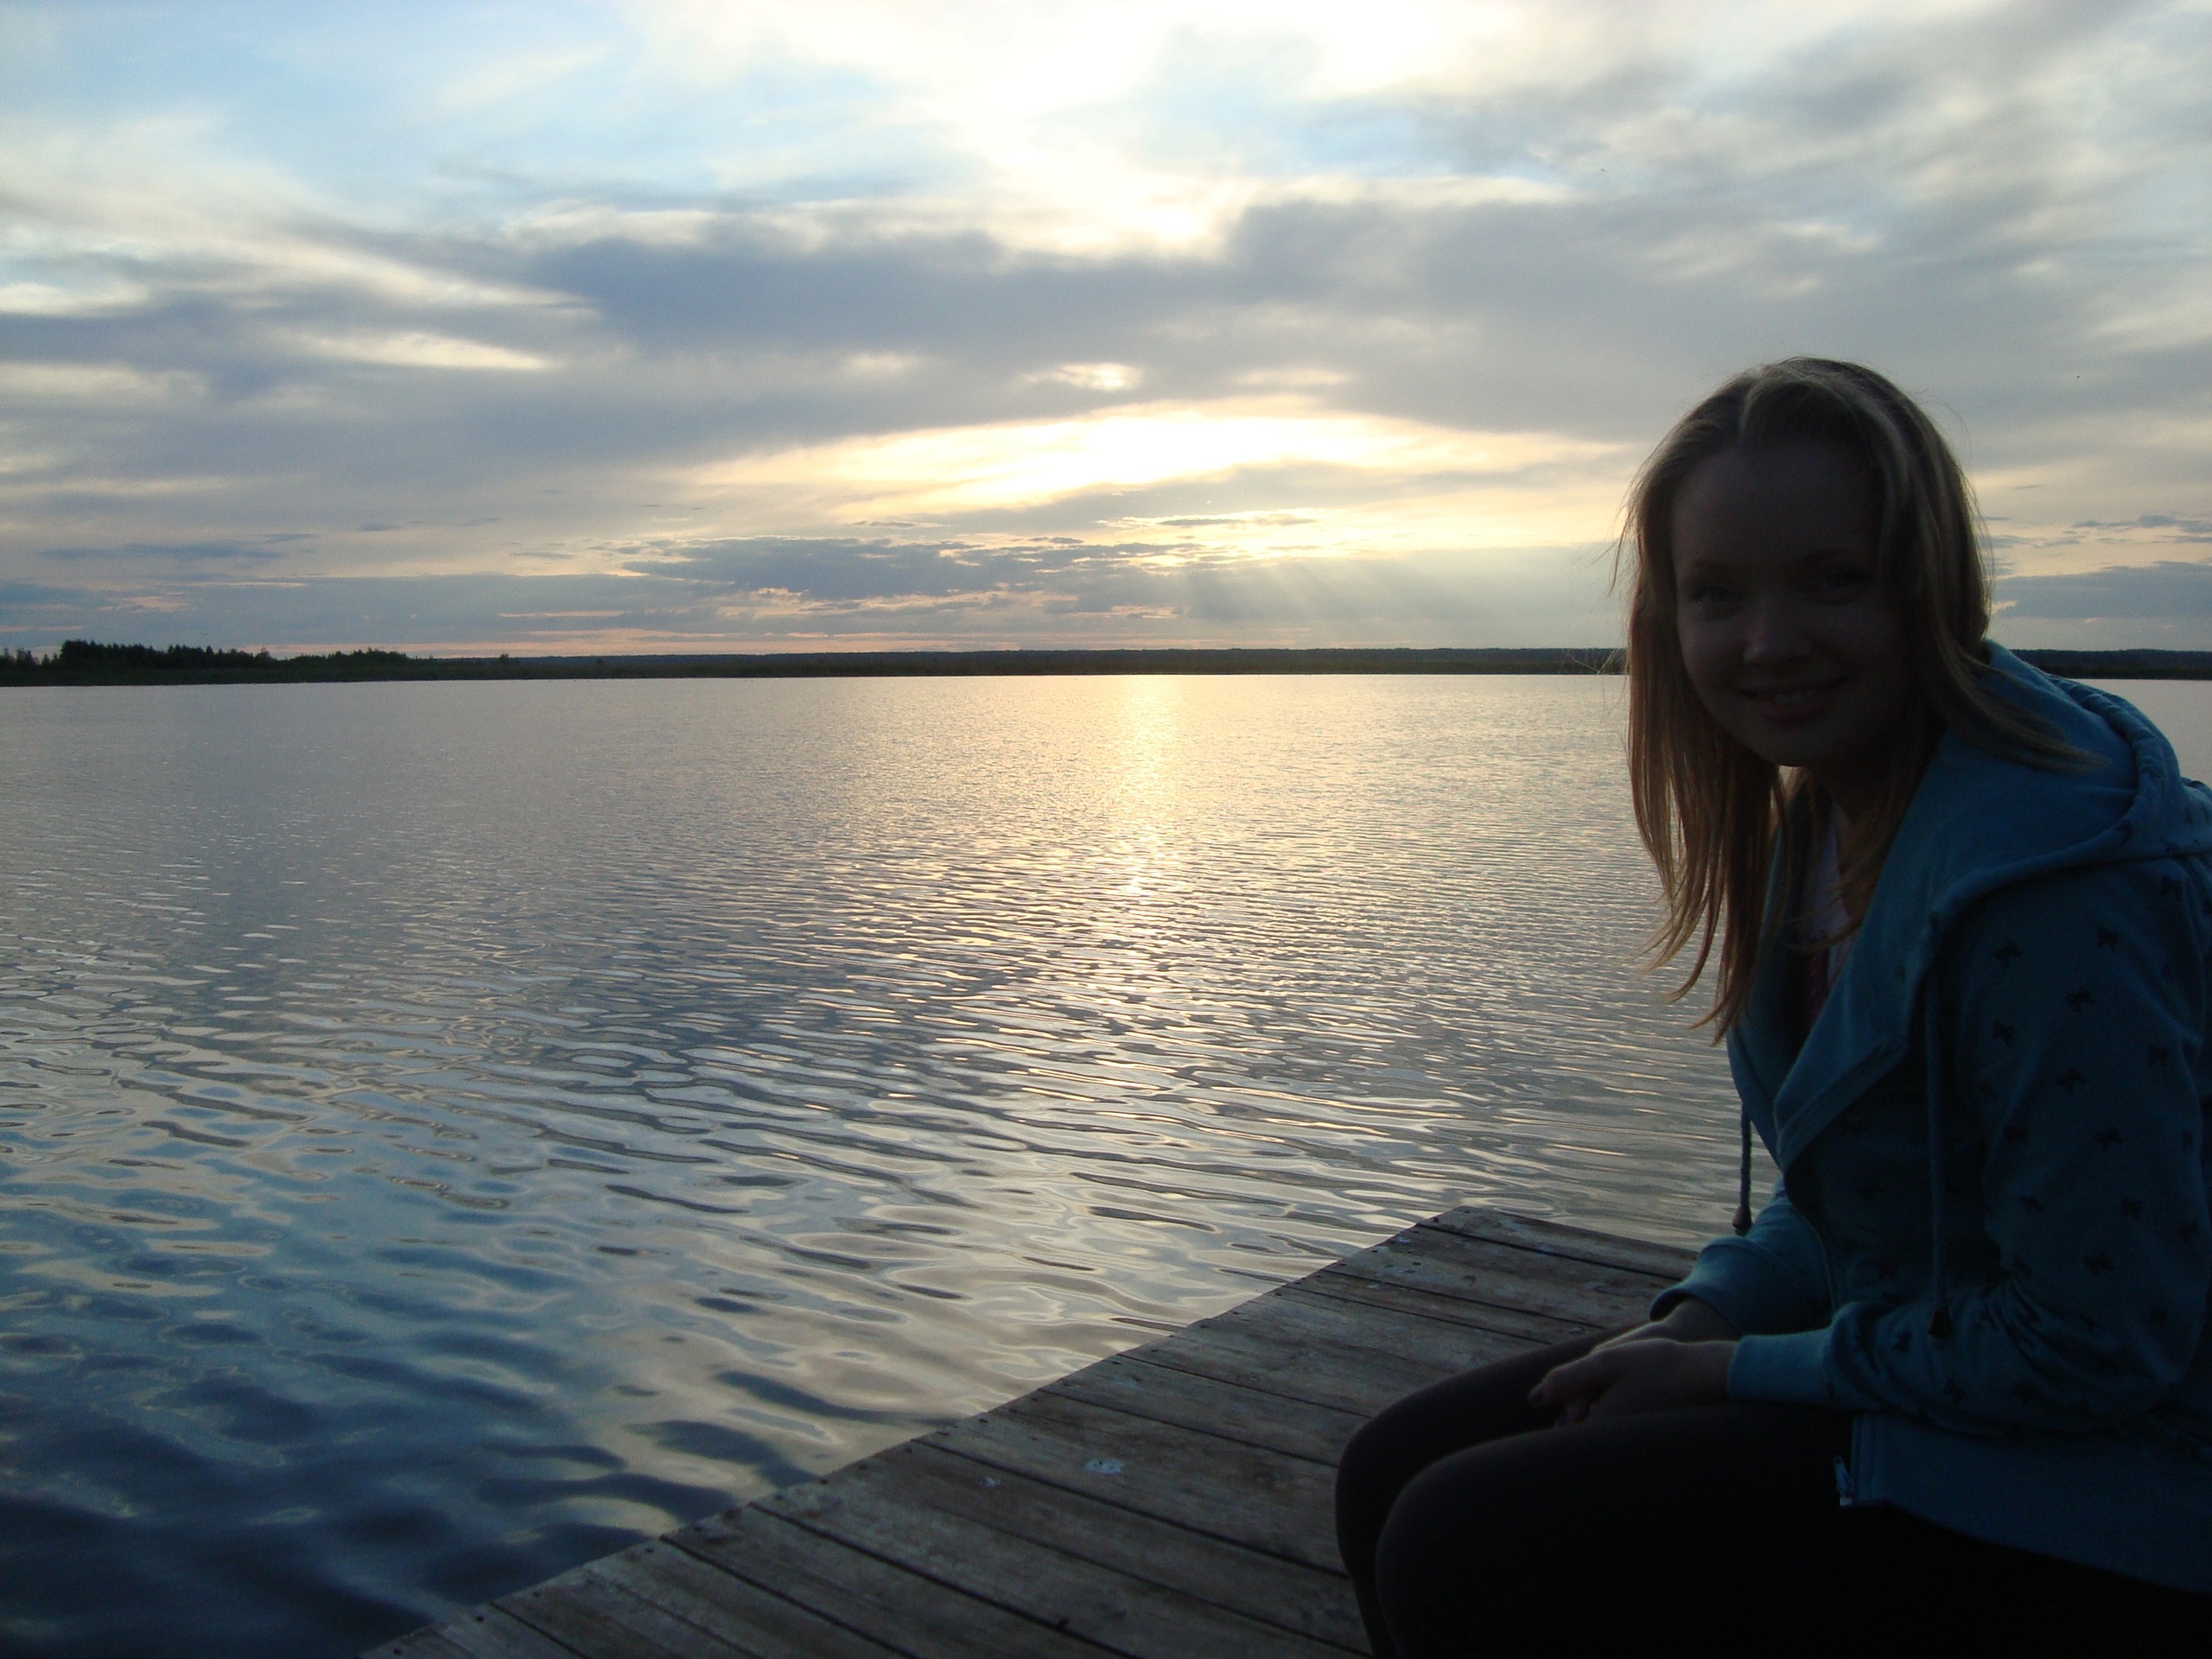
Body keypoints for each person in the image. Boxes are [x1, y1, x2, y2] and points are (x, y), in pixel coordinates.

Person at [1333, 358, 2212, 1655]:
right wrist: (1710, 1312)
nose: (1767, 642)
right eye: (1717, 595)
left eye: (1832, 580)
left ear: (1928, 583)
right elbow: (1865, 1192)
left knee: (1462, 1541)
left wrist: (1733, 1373)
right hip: (1939, 1387)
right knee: (1390, 1468)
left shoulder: (2056, 893)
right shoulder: (1828, 820)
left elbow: (2098, 1346)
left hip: (2127, 1484)